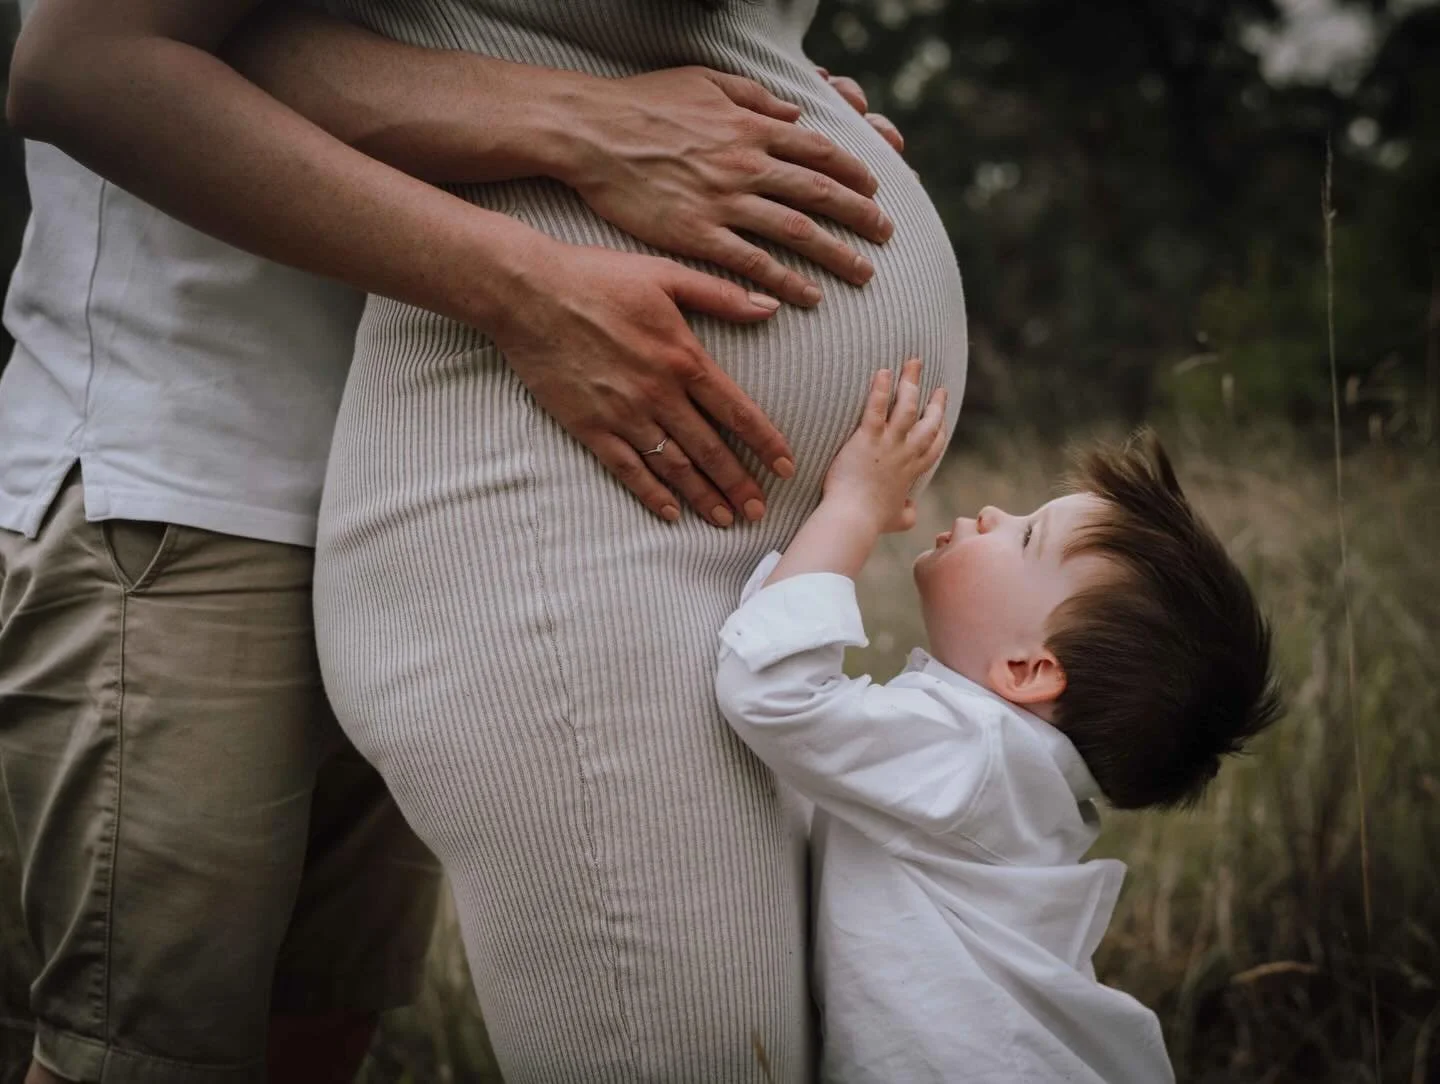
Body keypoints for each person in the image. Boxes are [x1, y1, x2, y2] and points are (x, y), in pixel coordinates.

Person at [0, 2, 910, 1083]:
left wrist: (772, 105)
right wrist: (570, 178)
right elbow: (83, 67)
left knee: (319, 1031)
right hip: (194, 492)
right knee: (146, 1054)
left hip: (441, 490)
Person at [715, 362, 1283, 1082]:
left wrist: (852, 509)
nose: (993, 515)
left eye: (1024, 538)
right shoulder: (1018, 774)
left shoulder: (975, 752)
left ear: (1026, 670)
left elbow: (770, 689)